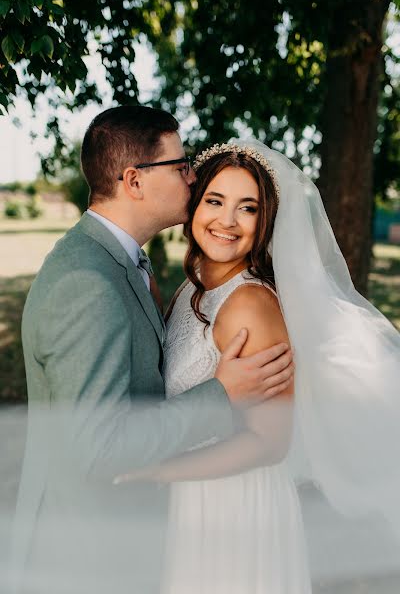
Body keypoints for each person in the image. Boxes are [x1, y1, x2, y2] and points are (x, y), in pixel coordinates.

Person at [9, 108, 294, 594]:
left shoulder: (127, 266)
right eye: (181, 166)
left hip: (208, 520)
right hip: (90, 550)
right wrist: (222, 393)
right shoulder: (89, 281)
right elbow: (97, 447)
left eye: (246, 207)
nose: (191, 176)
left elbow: (271, 438)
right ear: (134, 180)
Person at [116, 140, 400, 593]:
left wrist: (154, 469)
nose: (227, 220)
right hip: (195, 498)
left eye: (246, 208)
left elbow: (269, 443)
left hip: (234, 507)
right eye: (215, 201)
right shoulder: (194, 290)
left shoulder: (249, 303)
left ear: (263, 221)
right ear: (194, 206)